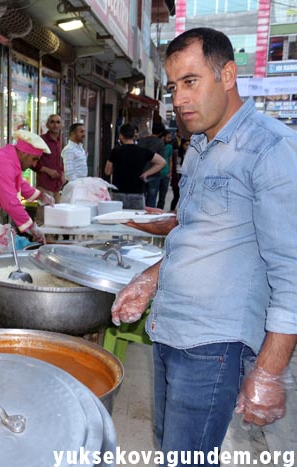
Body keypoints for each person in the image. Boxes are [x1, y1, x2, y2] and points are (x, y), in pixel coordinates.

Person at [111, 28, 297, 464]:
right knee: (168, 444)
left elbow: (291, 270)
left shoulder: (270, 149)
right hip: (171, 328)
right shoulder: (198, 146)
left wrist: (270, 370)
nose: (178, 99)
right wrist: (149, 279)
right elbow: (192, 231)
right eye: (173, 87)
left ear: (228, 74)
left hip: (214, 344)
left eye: (190, 82)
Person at [104, 123, 166, 209]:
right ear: (134, 136)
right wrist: (147, 173)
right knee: (136, 219)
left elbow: (107, 171)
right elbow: (162, 162)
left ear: (121, 136)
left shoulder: (115, 151)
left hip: (118, 193)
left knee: (118, 219)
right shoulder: (142, 151)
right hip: (137, 193)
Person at [34, 115, 66, 224]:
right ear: (47, 125)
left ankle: (51, 239)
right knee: (43, 215)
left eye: (58, 122)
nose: (55, 125)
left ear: (61, 125)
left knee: (55, 215)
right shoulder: (41, 140)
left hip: (57, 185)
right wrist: (47, 170)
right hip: (45, 185)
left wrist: (62, 174)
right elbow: (32, 163)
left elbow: (61, 160)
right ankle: (40, 239)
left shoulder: (61, 141)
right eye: (52, 122)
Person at [137, 122, 167, 208]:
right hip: (154, 174)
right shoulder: (160, 143)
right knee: (151, 200)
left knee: (141, 200)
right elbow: (162, 160)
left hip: (141, 173)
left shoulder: (141, 140)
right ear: (161, 133)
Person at [155, 131, 173, 210]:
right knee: (153, 195)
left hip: (165, 173)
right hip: (156, 173)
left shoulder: (169, 147)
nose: (169, 139)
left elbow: (170, 160)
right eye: (168, 137)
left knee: (162, 197)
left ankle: (159, 211)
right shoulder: (157, 145)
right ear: (163, 137)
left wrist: (170, 172)